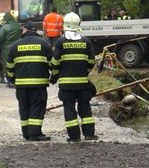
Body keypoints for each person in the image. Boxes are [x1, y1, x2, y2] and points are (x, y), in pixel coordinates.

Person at [51, 12, 98, 142]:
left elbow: (55, 63)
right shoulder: (86, 42)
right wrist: (84, 72)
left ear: (64, 25)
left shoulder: (60, 42)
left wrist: (54, 77)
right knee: (85, 108)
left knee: (69, 110)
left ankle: (74, 137)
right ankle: (89, 134)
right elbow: (91, 62)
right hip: (83, 84)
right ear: (78, 25)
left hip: (66, 86)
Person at [7, 21, 53, 141]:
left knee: (24, 107)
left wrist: (12, 80)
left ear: (26, 30)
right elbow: (52, 64)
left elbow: (10, 67)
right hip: (39, 84)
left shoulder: (14, 46)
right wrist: (54, 77)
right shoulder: (45, 44)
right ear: (35, 30)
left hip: (21, 85)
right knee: (37, 107)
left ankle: (26, 133)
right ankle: (35, 133)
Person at [0, 11, 22, 88]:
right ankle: (17, 80)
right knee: (17, 63)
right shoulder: (18, 26)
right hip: (17, 47)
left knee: (7, 64)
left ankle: (10, 81)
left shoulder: (4, 27)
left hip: (6, 49)